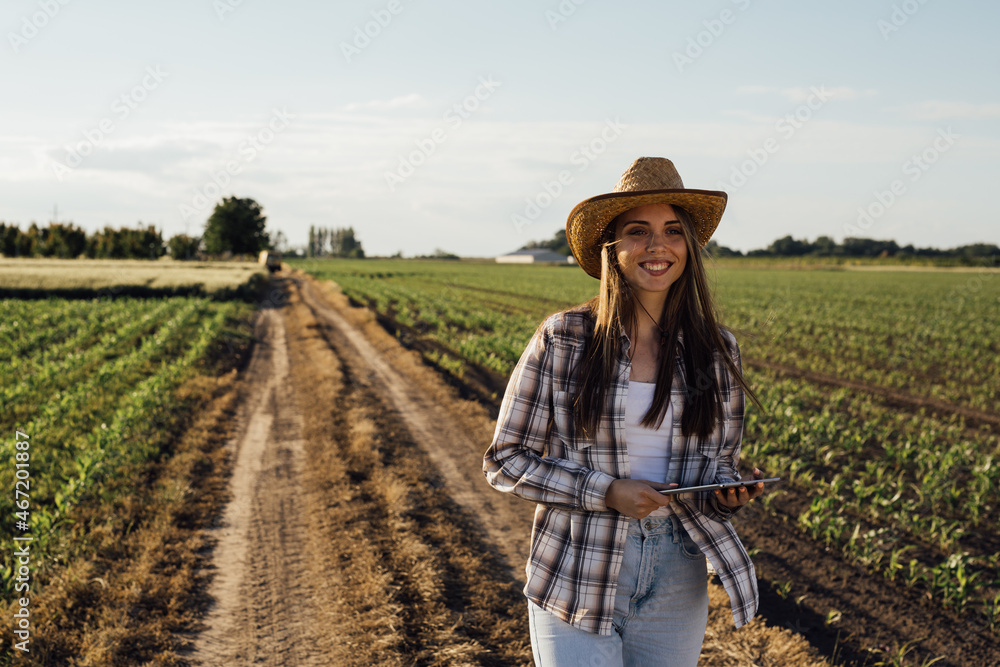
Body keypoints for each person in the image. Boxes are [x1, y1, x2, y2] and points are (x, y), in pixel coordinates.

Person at [483, 157, 768, 666]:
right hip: (578, 565)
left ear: (689, 248)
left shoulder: (716, 350)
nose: (657, 246)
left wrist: (727, 494)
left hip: (677, 572)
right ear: (611, 249)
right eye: (639, 232)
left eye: (673, 231)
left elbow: (718, 464)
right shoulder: (565, 338)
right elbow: (505, 459)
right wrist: (607, 491)